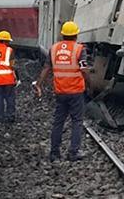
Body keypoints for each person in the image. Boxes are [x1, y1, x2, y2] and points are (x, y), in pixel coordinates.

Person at [35, 21, 89, 162]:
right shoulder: (79, 49)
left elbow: (46, 68)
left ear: (62, 35)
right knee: (77, 121)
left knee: (58, 121)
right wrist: (90, 84)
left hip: (60, 91)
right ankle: (73, 152)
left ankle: (54, 153)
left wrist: (39, 85)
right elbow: (84, 69)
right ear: (76, 35)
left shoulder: (54, 49)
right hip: (76, 91)